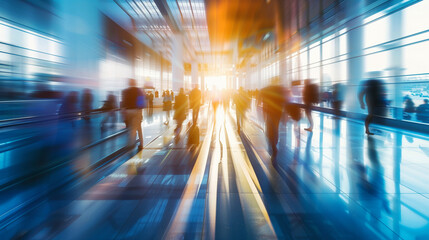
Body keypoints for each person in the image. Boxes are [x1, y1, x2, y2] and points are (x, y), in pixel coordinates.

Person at [260, 80, 286, 157]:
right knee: (276, 128)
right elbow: (283, 102)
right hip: (278, 112)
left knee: (270, 129)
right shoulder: (280, 90)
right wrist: (284, 116)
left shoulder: (268, 90)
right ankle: (275, 142)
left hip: (270, 112)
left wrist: (264, 114)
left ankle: (273, 145)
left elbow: (264, 102)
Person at [122, 78, 145, 150]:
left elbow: (123, 103)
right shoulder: (139, 90)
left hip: (128, 111)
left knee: (131, 128)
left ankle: (132, 143)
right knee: (138, 128)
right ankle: (136, 144)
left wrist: (124, 113)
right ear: (135, 83)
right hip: (136, 111)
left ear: (129, 83)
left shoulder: (125, 91)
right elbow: (141, 102)